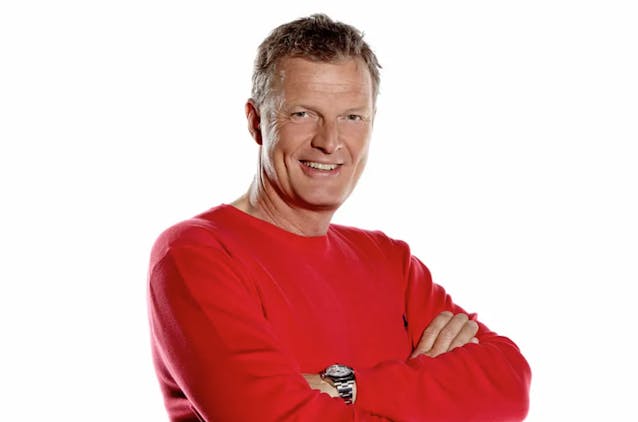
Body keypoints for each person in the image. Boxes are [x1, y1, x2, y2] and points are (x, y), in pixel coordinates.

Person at [147, 13, 531, 422]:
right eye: (303, 114)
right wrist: (428, 393)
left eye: (352, 117)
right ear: (256, 122)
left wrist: (343, 386)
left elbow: (508, 385)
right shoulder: (196, 254)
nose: (329, 142)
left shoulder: (389, 261)